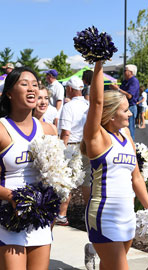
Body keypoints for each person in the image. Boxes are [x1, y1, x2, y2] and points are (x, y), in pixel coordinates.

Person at [0, 67, 57, 269]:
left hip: (40, 215)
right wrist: (12, 197)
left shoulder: (47, 130)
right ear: (9, 93)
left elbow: (55, 173)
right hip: (8, 215)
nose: (32, 89)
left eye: (35, 84)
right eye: (24, 84)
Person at [82, 61, 148, 270]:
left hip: (127, 213)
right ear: (111, 113)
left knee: (109, 266)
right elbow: (96, 103)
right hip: (104, 213)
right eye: (125, 111)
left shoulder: (127, 135)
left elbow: (136, 177)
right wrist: (98, 64)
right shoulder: (96, 137)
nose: (130, 113)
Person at [56, 76, 88, 225]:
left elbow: (66, 133)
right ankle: (88, 214)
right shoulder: (88, 105)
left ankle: (62, 214)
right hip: (87, 145)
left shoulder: (68, 107)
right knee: (87, 181)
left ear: (69, 89)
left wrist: (60, 151)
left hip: (72, 146)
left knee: (66, 181)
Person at [110, 64, 140, 140]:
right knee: (123, 128)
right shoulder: (125, 81)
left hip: (130, 107)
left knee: (129, 129)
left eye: (125, 70)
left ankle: (131, 146)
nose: (123, 72)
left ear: (131, 72)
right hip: (124, 107)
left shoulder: (134, 81)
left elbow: (129, 96)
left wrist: (117, 89)